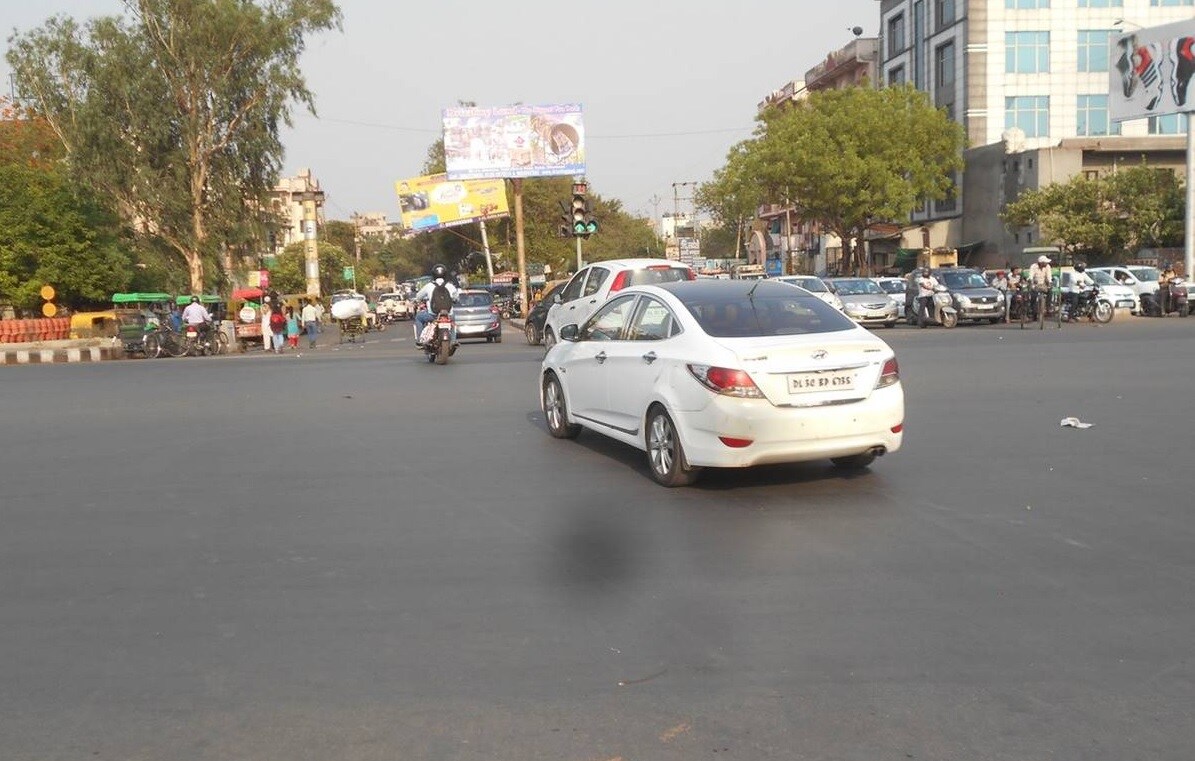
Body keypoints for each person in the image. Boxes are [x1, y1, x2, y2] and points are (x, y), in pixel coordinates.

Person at [413, 263, 460, 346]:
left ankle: (420, 340)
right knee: (453, 322)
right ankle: (453, 341)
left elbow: (418, 296)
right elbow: (456, 298)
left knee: (419, 317)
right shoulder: (450, 286)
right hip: (448, 314)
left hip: (433, 315)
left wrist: (418, 301)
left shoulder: (429, 286)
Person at [1027, 255, 1053, 320]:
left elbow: (1049, 277)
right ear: (1041, 263)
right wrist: (1031, 282)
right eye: (1045, 262)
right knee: (1033, 296)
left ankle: (1048, 307)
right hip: (1035, 283)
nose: (1047, 263)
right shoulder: (1033, 266)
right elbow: (1030, 276)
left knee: (1050, 291)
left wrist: (1049, 283)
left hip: (1044, 284)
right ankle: (1033, 312)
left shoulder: (1048, 267)